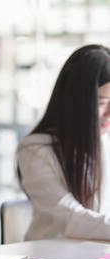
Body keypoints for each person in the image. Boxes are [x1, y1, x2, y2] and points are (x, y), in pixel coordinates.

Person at [17, 44, 110, 241]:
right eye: (102, 103)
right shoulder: (35, 150)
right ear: (77, 100)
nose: (108, 114)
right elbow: (69, 217)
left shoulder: (104, 142)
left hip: (95, 257)